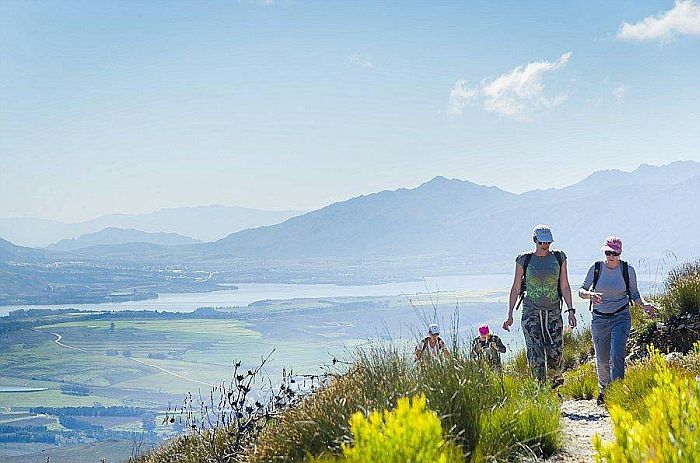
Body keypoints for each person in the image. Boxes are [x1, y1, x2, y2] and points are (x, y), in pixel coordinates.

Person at [579, 236, 656, 405]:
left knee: (617, 355)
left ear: (620, 253)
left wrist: (644, 305)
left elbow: (634, 294)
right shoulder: (596, 268)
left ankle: (617, 393)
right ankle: (604, 390)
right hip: (599, 319)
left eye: (614, 253)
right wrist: (590, 295)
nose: (611, 256)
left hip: (621, 317)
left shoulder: (627, 270)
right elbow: (581, 290)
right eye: (608, 252)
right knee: (602, 358)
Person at [502, 225, 577, 387]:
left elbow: (564, 285)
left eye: (548, 242)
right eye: (542, 242)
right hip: (531, 312)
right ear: (535, 240)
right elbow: (516, 287)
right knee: (535, 353)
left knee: (555, 352)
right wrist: (509, 314)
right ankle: (540, 391)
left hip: (553, 311)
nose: (545, 245)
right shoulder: (524, 260)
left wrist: (570, 310)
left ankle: (554, 389)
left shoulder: (559, 258)